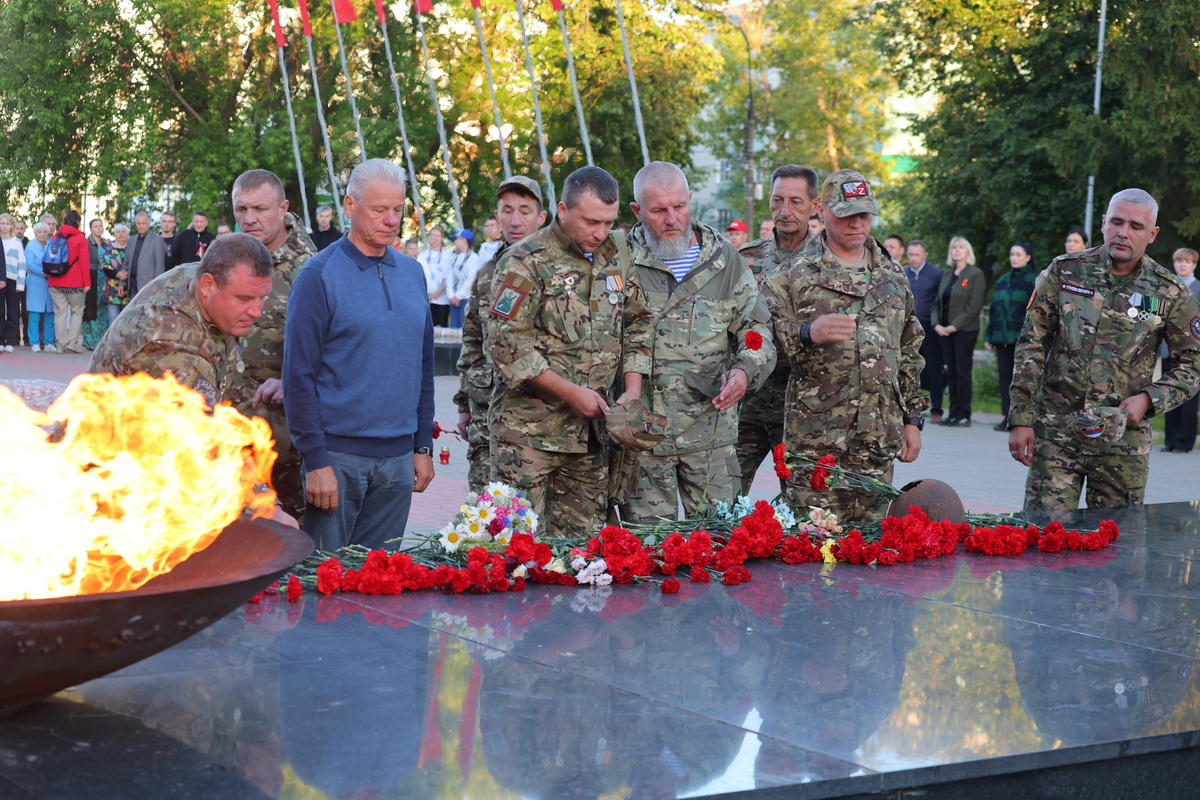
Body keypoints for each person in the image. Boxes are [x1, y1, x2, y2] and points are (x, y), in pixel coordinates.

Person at [486, 165, 654, 536]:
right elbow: (506, 343)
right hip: (528, 436)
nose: (601, 232)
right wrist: (571, 393)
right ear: (562, 210)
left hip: (591, 438)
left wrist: (633, 389)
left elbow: (639, 322)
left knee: (582, 553)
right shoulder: (524, 260)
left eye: (609, 222)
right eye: (592, 221)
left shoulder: (617, 255)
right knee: (513, 546)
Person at [1009, 189, 1200, 511]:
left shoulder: (1170, 291)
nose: (1123, 232)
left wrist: (1150, 400)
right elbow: (1032, 344)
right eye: (1116, 222)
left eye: (1136, 226)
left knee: (1117, 546)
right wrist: (1020, 417)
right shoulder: (1065, 271)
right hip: (1057, 433)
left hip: (1123, 440)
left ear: (1152, 234)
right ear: (1103, 223)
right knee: (1044, 538)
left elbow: (1193, 363)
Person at [283, 159, 435, 552]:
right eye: (379, 209)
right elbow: (298, 376)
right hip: (338, 459)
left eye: (398, 209)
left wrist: (422, 447)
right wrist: (315, 461)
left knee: (379, 586)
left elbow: (423, 367)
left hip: (398, 462)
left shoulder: (412, 273)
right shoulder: (318, 276)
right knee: (324, 584)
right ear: (350, 206)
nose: (391, 220)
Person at [761, 169, 926, 524]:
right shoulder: (792, 275)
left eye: (864, 214)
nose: (857, 223)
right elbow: (760, 342)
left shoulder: (893, 276)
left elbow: (910, 351)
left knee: (868, 551)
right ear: (823, 212)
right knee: (810, 551)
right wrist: (806, 333)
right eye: (846, 214)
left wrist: (913, 419)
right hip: (817, 447)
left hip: (877, 441)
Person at [621, 161, 775, 521]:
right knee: (645, 554)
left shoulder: (725, 261)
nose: (672, 219)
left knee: (719, 549)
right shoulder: (618, 261)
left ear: (690, 200)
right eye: (658, 210)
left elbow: (756, 331)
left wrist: (744, 372)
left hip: (710, 440)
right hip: (641, 438)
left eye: (680, 207)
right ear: (637, 210)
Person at [229, 169, 317, 520]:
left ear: (283, 209)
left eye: (260, 209)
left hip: (283, 443)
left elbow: (336, 351)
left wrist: (292, 382)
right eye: (241, 209)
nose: (249, 219)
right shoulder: (229, 259)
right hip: (230, 434)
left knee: (289, 546)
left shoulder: (311, 270)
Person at [91, 232, 272, 403]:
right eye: (245, 299)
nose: (256, 311)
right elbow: (197, 430)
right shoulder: (169, 346)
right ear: (208, 286)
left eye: (262, 297)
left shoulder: (203, 277)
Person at [454, 176, 548, 493]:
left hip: (543, 415)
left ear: (542, 218)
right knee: (486, 509)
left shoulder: (560, 272)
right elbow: (471, 342)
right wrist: (464, 405)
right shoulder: (486, 275)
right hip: (487, 411)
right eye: (506, 211)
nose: (515, 220)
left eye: (524, 210)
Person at [734, 165, 819, 495]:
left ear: (815, 205)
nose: (785, 211)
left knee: (801, 504)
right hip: (748, 403)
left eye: (796, 201)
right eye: (777, 200)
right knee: (721, 500)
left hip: (801, 407)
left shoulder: (827, 263)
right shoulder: (745, 258)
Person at [931, 236, 985, 427]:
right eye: (954, 247)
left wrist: (954, 326)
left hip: (964, 331)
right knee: (950, 372)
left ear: (968, 251)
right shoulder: (946, 275)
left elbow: (973, 306)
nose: (957, 250)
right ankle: (952, 414)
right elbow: (937, 303)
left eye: (961, 247)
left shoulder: (975, 274)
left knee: (962, 373)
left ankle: (963, 414)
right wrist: (937, 324)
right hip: (944, 331)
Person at [984, 242, 1037, 431]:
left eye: (1018, 254)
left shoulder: (1034, 280)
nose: (1014, 257)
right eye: (1012, 254)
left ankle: (1021, 418)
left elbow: (1034, 312)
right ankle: (1006, 417)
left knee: (1021, 380)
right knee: (1005, 379)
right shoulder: (1003, 280)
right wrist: (989, 334)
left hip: (1022, 339)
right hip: (1001, 338)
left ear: (1028, 257)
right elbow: (995, 310)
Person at [1159, 248, 1200, 453]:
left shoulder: (1199, 288)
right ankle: (1170, 440)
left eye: (1188, 261)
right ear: (1174, 263)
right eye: (1179, 261)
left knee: (1188, 397)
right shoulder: (1167, 286)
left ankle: (1184, 442)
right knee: (1168, 393)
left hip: (1191, 352)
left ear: (1194, 265)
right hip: (1168, 349)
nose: (1183, 264)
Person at [904, 239, 945, 421]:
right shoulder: (903, 274)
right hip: (909, 329)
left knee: (934, 368)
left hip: (930, 328)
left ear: (925, 255)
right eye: (910, 255)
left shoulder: (937, 274)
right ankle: (911, 407)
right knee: (911, 368)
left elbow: (942, 300)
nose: (913, 258)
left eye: (917, 255)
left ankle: (937, 409)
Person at [47, 211, 90, 354]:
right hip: (74, 282)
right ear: (77, 222)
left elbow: (50, 258)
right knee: (77, 311)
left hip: (55, 281)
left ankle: (60, 344)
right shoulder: (80, 238)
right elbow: (84, 262)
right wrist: (87, 283)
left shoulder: (55, 236)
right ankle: (72, 342)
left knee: (60, 313)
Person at [23, 222, 55, 352]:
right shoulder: (30, 246)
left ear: (48, 233)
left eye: (44, 231)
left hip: (50, 283)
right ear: (35, 233)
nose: (42, 234)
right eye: (39, 232)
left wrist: (52, 272)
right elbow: (29, 264)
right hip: (35, 283)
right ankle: (34, 342)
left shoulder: (52, 245)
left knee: (50, 313)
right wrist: (44, 273)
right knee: (35, 313)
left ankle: (49, 343)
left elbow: (55, 261)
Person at [125, 211, 167, 296]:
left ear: (149, 223)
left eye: (143, 223)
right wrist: (122, 283)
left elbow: (159, 267)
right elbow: (126, 263)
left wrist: (157, 287)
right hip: (132, 283)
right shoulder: (131, 240)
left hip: (148, 285)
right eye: (138, 223)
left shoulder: (157, 240)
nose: (141, 226)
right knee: (133, 309)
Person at [418, 225, 453, 327]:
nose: (434, 238)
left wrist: (436, 294)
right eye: (432, 235)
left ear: (442, 238)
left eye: (437, 236)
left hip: (442, 299)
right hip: (426, 299)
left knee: (441, 329)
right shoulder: (423, 255)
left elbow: (448, 278)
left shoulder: (448, 255)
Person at [0, 214, 25, 352]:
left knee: (12, 311)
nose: (4, 226)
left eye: (7, 223)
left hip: (13, 279)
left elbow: (22, 263)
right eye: (2, 223)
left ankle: (10, 341)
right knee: (0, 312)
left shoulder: (16, 242)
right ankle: (1, 340)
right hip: (0, 279)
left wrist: (20, 284)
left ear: (11, 226)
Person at [83, 218, 108, 350]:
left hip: (104, 281)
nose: (99, 228)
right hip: (91, 280)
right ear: (91, 229)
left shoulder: (106, 244)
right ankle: (89, 341)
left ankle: (101, 340)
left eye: (100, 226)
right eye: (95, 226)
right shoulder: (87, 244)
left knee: (103, 311)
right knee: (90, 309)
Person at [446, 229, 479, 329]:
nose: (455, 242)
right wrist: (451, 295)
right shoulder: (455, 257)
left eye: (456, 239)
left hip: (466, 298)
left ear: (464, 240)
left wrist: (458, 296)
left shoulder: (474, 258)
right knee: (453, 327)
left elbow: (471, 280)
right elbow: (449, 277)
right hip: (454, 299)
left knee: (464, 327)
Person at [99, 223, 131, 326]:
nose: (121, 234)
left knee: (127, 321)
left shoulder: (132, 248)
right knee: (113, 319)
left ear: (128, 234)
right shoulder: (109, 248)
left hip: (129, 289)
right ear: (115, 234)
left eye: (123, 232)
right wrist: (117, 274)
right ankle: (113, 342)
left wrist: (125, 275)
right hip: (112, 290)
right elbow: (104, 265)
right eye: (118, 232)